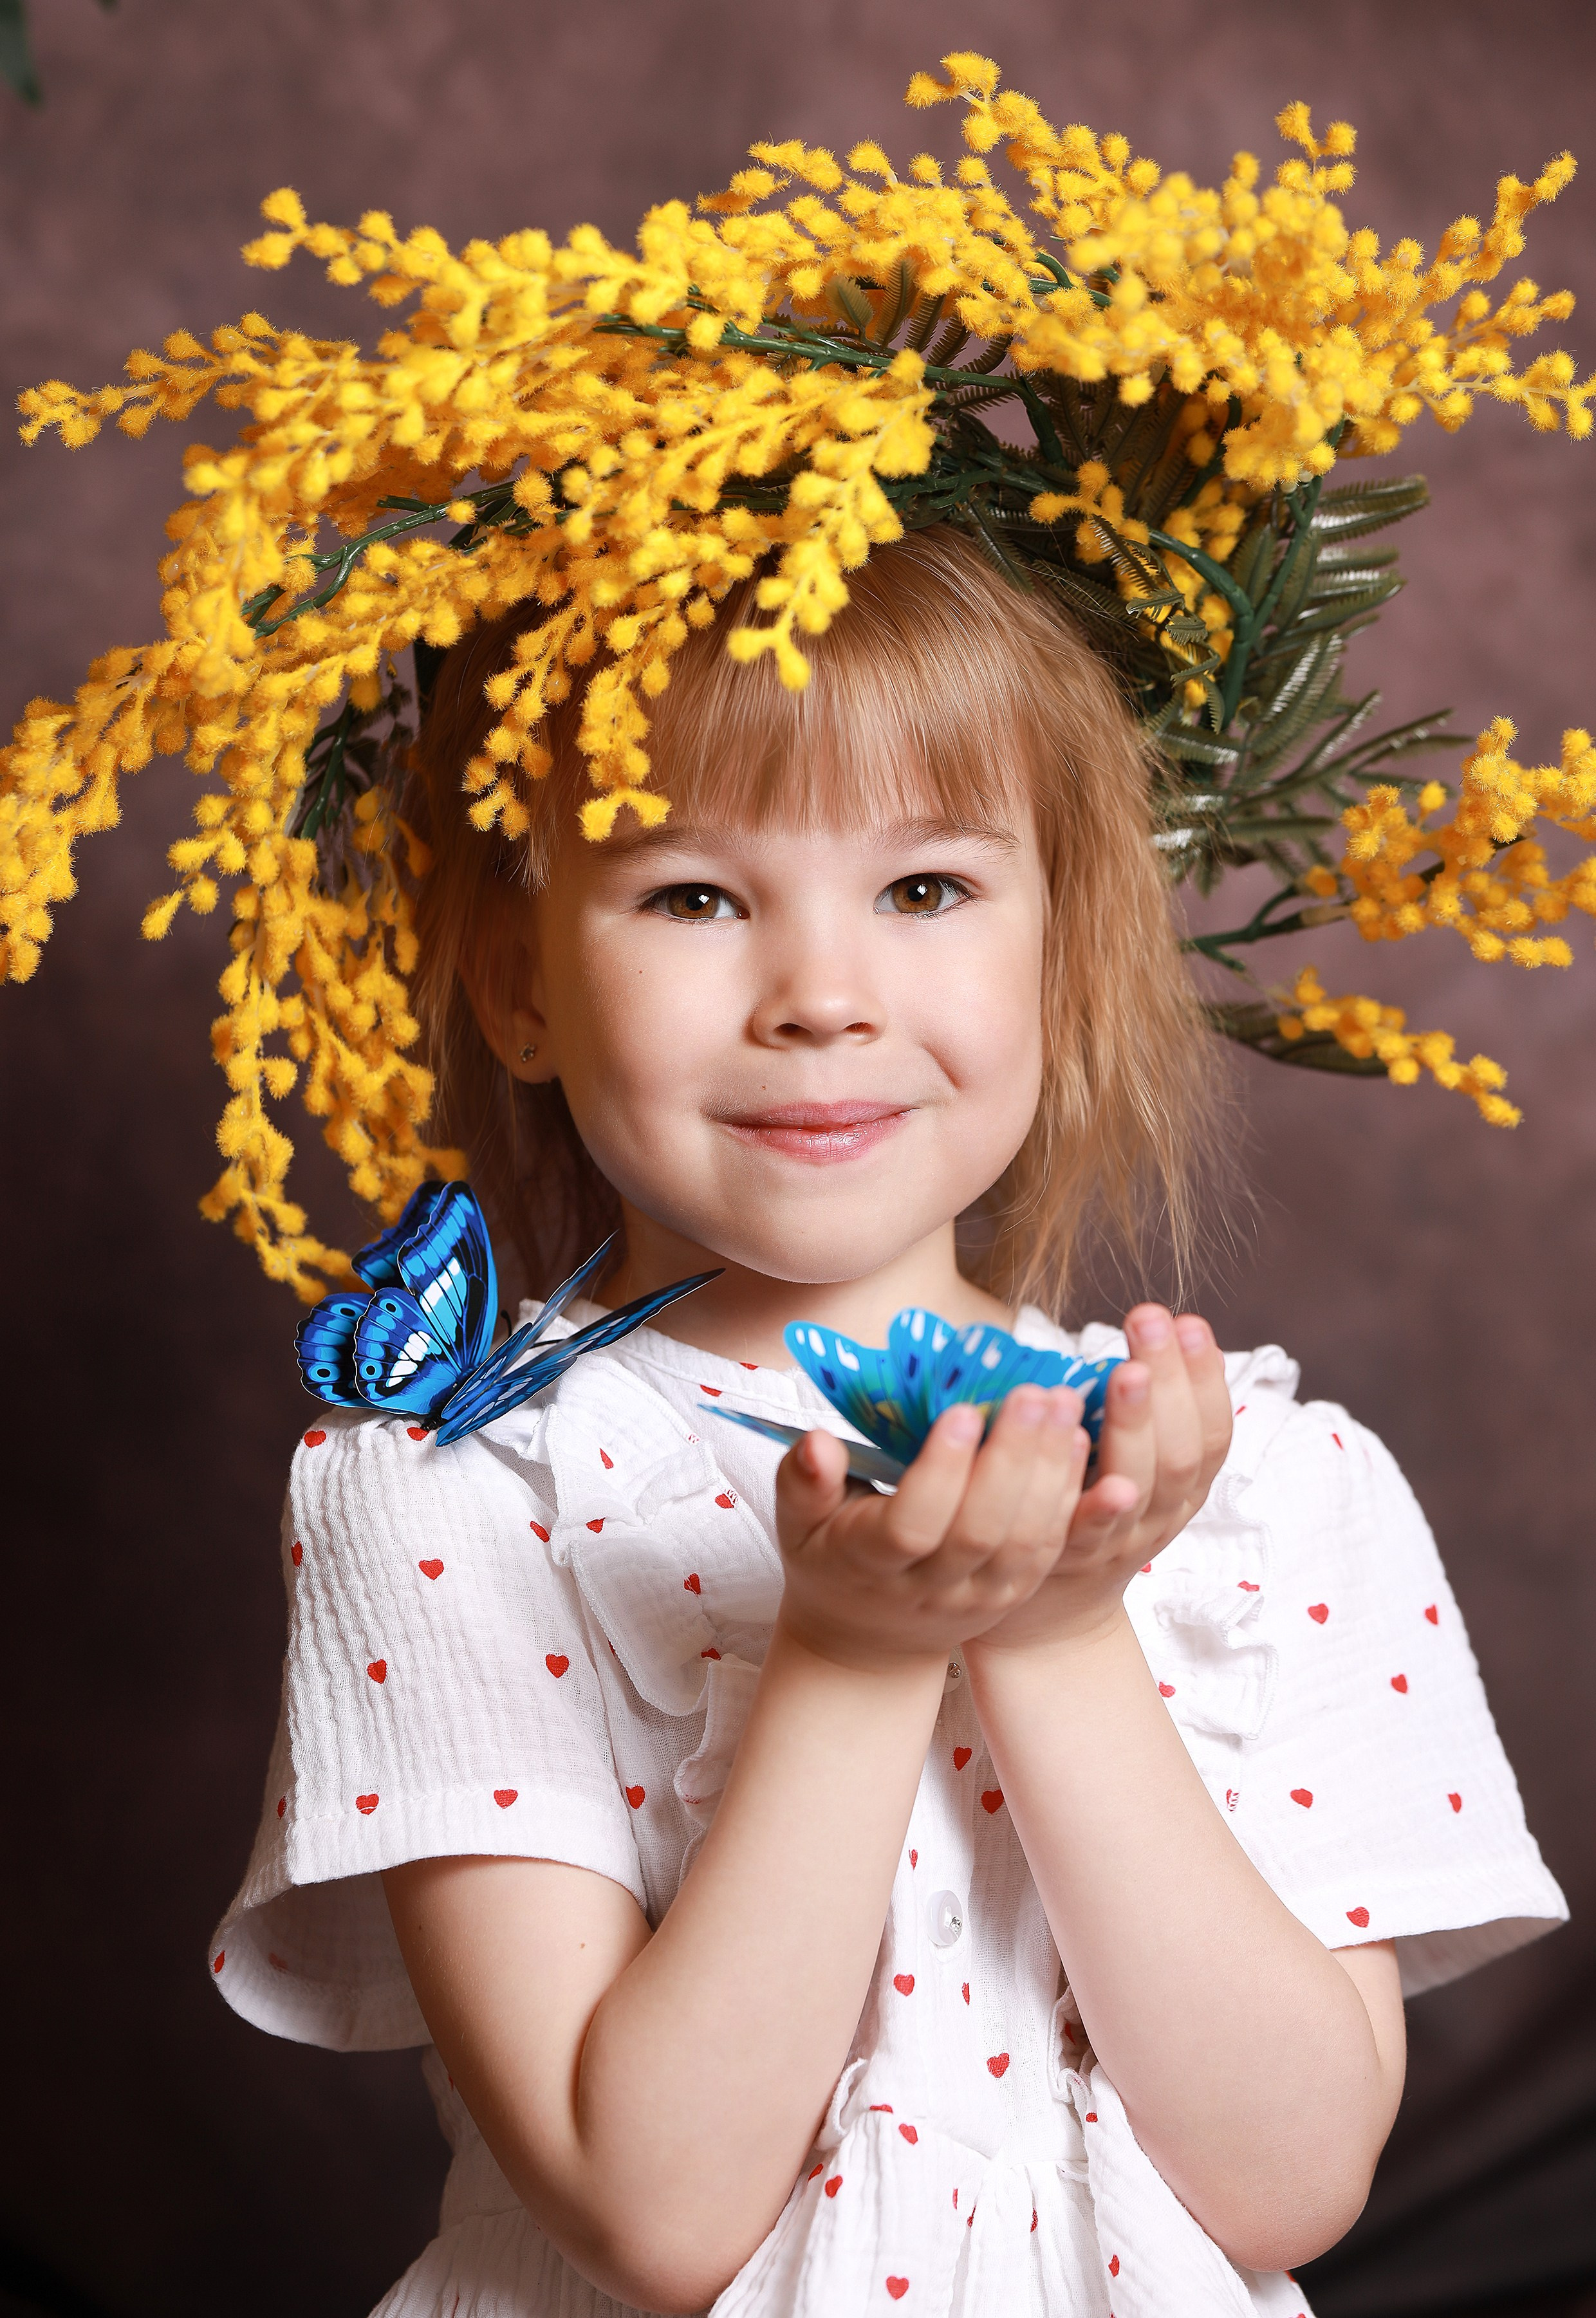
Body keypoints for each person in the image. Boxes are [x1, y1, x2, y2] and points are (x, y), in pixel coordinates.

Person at [209, 527, 1565, 2318]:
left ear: (1067, 947)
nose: (823, 992)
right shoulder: (456, 1491)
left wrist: (1064, 1620)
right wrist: (853, 1656)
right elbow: (655, 2206)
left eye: (924, 888)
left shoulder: (1271, 1489)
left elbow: (1289, 2178)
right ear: (520, 981)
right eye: (695, 895)